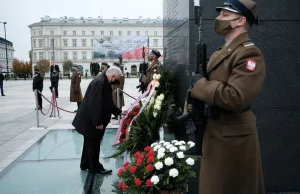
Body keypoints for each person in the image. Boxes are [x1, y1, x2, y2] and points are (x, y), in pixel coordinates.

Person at [190, 1, 265, 194]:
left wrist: (200, 86)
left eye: (224, 15)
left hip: (233, 142)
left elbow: (237, 97)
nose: (218, 19)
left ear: (240, 20)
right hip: (216, 135)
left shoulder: (249, 53)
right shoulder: (222, 51)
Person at [72, 67, 124, 174]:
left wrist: (119, 112)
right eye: (117, 79)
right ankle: (96, 167)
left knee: (89, 143)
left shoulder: (104, 82)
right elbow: (95, 104)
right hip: (91, 120)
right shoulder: (100, 83)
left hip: (90, 119)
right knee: (94, 144)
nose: (117, 82)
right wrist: (98, 122)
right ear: (112, 76)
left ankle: (85, 163)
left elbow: (107, 102)